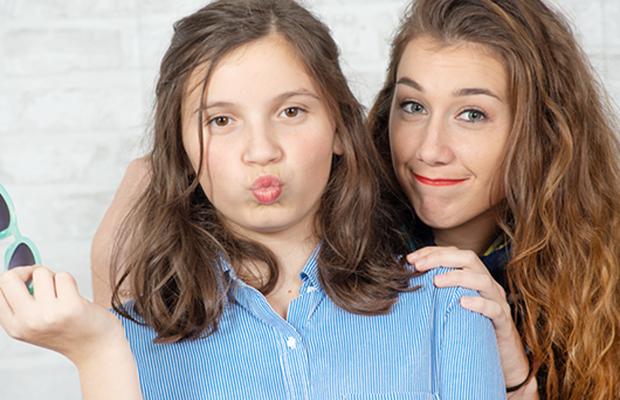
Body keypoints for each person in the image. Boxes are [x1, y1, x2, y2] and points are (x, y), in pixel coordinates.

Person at [0, 1, 505, 399]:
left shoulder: (446, 301)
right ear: (184, 148)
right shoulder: (129, 339)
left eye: (291, 111)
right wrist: (98, 352)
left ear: (337, 127)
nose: (261, 151)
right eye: (221, 121)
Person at [367, 0, 620, 399]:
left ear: (544, 131)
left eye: (471, 114)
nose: (430, 150)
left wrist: (517, 380)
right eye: (413, 106)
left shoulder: (601, 279)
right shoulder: (336, 257)